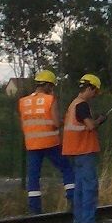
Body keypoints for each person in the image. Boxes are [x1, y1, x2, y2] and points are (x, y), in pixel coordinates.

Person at [17, 69, 75, 214]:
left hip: (31, 145)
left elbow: (23, 123)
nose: (52, 89)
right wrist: (64, 121)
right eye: (52, 86)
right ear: (48, 85)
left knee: (33, 177)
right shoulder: (50, 100)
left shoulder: (23, 102)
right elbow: (55, 123)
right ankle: (73, 200)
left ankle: (34, 210)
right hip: (50, 143)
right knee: (66, 168)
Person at [62, 73, 104, 223]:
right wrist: (100, 120)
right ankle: (87, 222)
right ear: (89, 88)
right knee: (89, 187)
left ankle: (78, 221)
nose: (95, 95)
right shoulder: (82, 105)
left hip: (73, 151)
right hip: (84, 151)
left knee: (79, 188)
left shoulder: (73, 104)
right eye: (95, 91)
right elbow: (90, 126)